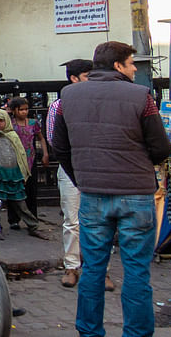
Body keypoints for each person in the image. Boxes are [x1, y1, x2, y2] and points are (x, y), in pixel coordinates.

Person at [52, 41, 171, 337]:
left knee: (92, 269)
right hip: (137, 196)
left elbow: (60, 147)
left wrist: (81, 178)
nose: (134, 69)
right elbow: (160, 147)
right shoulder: (141, 96)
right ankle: (137, 333)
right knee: (136, 272)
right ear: (118, 65)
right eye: (132, 63)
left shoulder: (68, 96)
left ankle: (90, 332)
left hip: (93, 195)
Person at [47, 58, 94, 288]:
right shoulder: (59, 105)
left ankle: (98, 269)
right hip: (70, 166)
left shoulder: (97, 102)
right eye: (87, 75)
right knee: (72, 220)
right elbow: (53, 140)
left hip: (96, 167)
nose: (92, 80)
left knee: (97, 220)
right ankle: (71, 266)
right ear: (74, 78)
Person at [0, 109, 50, 239]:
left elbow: (21, 155)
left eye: (1, 121)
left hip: (14, 174)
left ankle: (33, 227)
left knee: (21, 204)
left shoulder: (13, 135)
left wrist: (23, 173)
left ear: (6, 121)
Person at [6, 96, 50, 216]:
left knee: (31, 190)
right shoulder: (10, 124)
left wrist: (45, 154)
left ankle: (32, 216)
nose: (24, 112)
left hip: (30, 160)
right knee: (14, 188)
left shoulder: (33, 123)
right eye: (21, 109)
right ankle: (14, 218)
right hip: (15, 161)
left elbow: (41, 138)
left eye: (26, 109)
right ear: (14, 110)